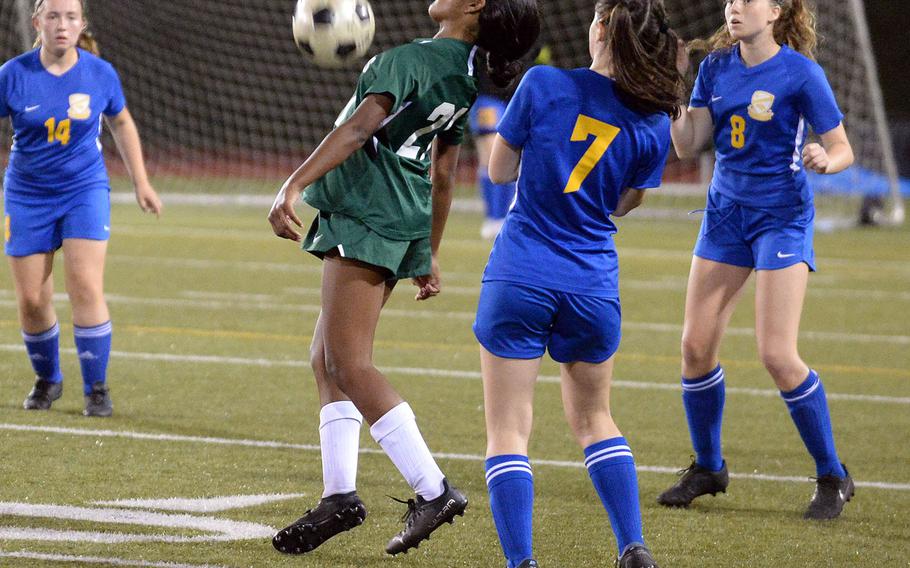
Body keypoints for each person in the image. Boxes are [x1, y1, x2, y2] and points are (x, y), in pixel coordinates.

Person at [267, 0, 540, 557]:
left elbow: (357, 130)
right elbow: (442, 175)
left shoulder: (411, 59)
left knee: (349, 363)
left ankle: (432, 489)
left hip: (368, 213)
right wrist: (429, 252)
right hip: (397, 219)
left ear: (474, 7)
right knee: (325, 361)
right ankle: (339, 496)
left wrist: (291, 185)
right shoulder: (464, 73)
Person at [473, 1, 684, 566]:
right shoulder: (654, 122)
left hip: (520, 273)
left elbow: (497, 171)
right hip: (592, 286)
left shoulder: (542, 84)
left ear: (599, 31)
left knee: (509, 432)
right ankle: (632, 545)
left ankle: (523, 562)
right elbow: (622, 204)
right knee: (595, 419)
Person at [657, 0, 855, 520]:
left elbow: (842, 148)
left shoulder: (800, 73)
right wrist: (674, 91)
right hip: (724, 215)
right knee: (695, 347)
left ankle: (833, 474)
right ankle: (708, 466)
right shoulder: (716, 67)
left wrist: (825, 160)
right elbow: (689, 146)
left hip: (781, 218)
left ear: (776, 12)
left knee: (776, 353)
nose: (735, 6)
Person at [1, 0, 162, 417]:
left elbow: (121, 122)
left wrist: (141, 182)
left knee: (86, 287)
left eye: (70, 17)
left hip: (83, 190)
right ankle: (49, 379)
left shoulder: (99, 73)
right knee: (33, 300)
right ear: (37, 22)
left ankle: (96, 388)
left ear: (81, 24)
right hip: (26, 194)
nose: (61, 24)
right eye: (52, 16)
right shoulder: (13, 75)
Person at [469, 44, 550, 240]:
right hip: (487, 96)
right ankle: (494, 218)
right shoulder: (486, 25)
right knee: (489, 155)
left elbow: (537, 53)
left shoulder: (530, 27)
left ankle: (508, 217)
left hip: (517, 98)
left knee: (515, 158)